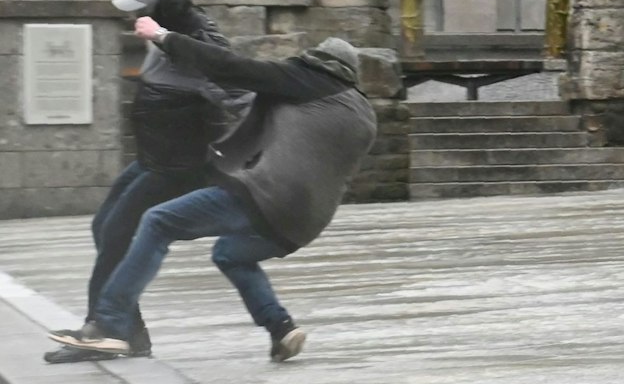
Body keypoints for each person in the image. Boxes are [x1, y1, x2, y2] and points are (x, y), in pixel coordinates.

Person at [50, 30, 378, 363]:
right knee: (231, 254)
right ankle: (281, 327)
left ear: (316, 63)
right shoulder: (361, 111)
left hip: (267, 198)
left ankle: (111, 324)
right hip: (305, 223)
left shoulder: (307, 81)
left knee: (157, 221)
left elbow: (231, 66)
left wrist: (165, 37)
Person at [44, 0, 245, 363]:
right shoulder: (164, 32)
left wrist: (175, 22)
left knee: (117, 232)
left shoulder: (191, 30)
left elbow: (222, 59)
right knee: (103, 227)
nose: (132, 19)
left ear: (164, 10)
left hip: (175, 164)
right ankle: (124, 330)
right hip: (154, 157)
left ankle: (103, 328)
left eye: (141, 11)